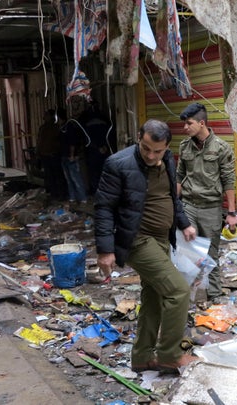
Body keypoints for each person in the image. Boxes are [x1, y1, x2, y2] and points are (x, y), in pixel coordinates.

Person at [94, 119, 197, 373]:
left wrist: (184, 224)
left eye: (157, 151)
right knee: (178, 291)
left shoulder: (169, 160)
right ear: (139, 137)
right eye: (146, 148)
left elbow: (171, 197)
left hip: (162, 238)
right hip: (137, 241)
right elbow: (104, 207)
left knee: (153, 298)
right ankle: (170, 355)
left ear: (166, 147)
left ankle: (141, 357)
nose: (151, 155)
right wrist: (105, 250)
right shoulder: (118, 164)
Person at [176, 102, 237, 303]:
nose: (185, 128)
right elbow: (179, 177)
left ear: (201, 123)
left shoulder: (222, 148)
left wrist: (232, 212)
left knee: (211, 253)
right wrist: (175, 206)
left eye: (189, 124)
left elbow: (229, 180)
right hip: (189, 205)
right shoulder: (184, 146)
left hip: (211, 207)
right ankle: (185, 295)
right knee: (186, 252)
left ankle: (214, 294)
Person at [80, 101, 114, 195]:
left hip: (94, 151)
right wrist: (105, 146)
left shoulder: (86, 119)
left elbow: (86, 138)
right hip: (102, 150)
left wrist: (98, 147)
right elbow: (110, 134)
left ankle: (97, 192)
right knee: (103, 171)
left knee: (94, 173)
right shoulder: (104, 118)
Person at [58, 107, 88, 204]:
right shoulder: (62, 128)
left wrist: (71, 155)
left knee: (75, 178)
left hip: (70, 157)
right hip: (64, 156)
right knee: (69, 179)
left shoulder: (69, 127)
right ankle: (73, 197)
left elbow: (72, 143)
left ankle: (83, 198)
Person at [36, 109, 66, 200]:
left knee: (57, 175)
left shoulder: (56, 127)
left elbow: (60, 141)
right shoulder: (43, 128)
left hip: (53, 155)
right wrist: (38, 154)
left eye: (46, 115)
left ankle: (61, 194)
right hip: (45, 155)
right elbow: (40, 142)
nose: (44, 116)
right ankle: (53, 194)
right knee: (49, 176)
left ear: (51, 116)